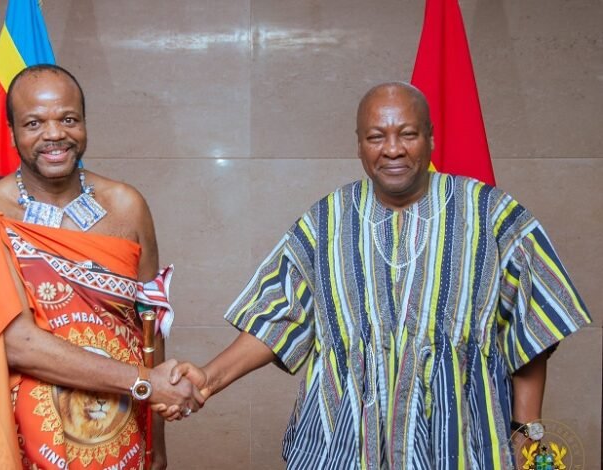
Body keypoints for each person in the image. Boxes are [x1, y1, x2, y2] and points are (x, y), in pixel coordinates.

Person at [169, 82, 591, 468]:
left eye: (407, 134)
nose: (393, 149)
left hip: (463, 444)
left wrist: (526, 432)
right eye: (377, 137)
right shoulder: (326, 220)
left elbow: (533, 329)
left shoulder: (491, 214)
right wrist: (208, 378)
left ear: (430, 139)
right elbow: (275, 320)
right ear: (359, 146)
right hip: (344, 446)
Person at [0, 64, 203, 470]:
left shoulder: (127, 206)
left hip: (121, 441)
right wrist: (142, 383)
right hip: (24, 446)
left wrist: (157, 442)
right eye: (34, 123)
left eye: (68, 119)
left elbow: (151, 330)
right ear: (11, 133)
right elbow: (15, 342)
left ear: (84, 124)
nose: (54, 135)